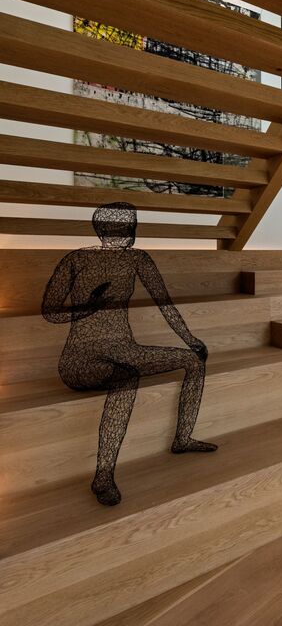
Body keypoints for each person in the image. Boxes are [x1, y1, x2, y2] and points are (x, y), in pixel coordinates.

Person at [42, 202, 216, 506]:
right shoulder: (75, 260)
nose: (119, 236)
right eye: (114, 230)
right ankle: (103, 476)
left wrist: (190, 339)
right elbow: (50, 311)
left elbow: (165, 305)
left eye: (124, 230)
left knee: (192, 361)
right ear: (101, 230)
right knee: (126, 378)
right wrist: (87, 308)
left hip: (125, 348)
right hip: (81, 358)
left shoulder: (137, 259)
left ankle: (182, 438)